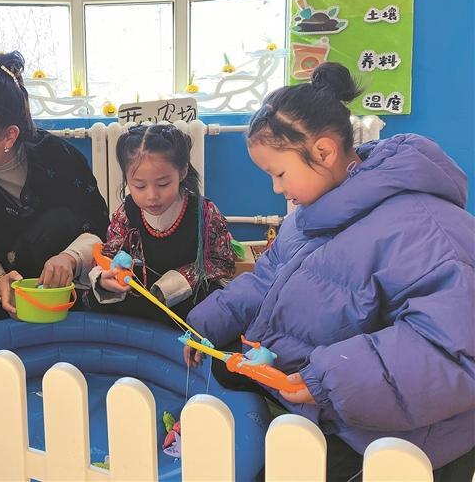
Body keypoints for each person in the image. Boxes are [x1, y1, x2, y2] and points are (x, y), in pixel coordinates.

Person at [184, 62, 475, 480]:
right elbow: (267, 279)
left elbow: (450, 349)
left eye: (279, 174)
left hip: (400, 436)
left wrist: (328, 379)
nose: (277, 189)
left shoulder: (425, 228)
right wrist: (206, 324)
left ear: (323, 152)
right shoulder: (311, 217)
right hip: (326, 400)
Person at [0, 51, 109, 328]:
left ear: (9, 135)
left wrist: (70, 258)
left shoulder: (61, 159)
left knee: (58, 222)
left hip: (62, 289)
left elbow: (98, 224)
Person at [84, 123, 236, 325]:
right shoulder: (126, 212)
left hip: (186, 298)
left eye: (163, 184)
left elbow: (223, 263)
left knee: (213, 306)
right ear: (127, 179)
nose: (152, 196)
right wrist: (106, 278)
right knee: (94, 299)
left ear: (182, 172)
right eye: (139, 186)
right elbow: (108, 254)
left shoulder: (204, 212)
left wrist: (175, 284)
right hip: (140, 292)